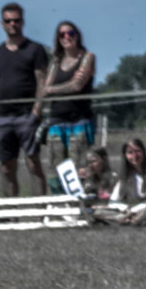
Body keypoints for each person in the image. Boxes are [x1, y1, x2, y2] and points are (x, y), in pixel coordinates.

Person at [0, 3, 48, 196]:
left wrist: (36, 112)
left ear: (23, 22)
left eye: (16, 20)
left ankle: (40, 212)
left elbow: (42, 82)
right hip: (2, 119)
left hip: (26, 116)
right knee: (6, 167)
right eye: (8, 20)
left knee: (32, 163)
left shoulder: (35, 50)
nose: (12, 24)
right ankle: (12, 213)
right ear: (2, 24)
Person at [42, 21, 95, 184]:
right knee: (55, 169)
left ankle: (81, 204)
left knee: (80, 168)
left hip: (79, 120)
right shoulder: (56, 62)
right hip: (57, 120)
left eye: (70, 33)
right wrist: (63, 86)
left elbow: (78, 85)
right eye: (62, 34)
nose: (66, 37)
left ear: (77, 35)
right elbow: (46, 88)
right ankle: (60, 204)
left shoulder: (87, 57)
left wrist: (54, 89)